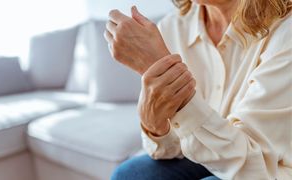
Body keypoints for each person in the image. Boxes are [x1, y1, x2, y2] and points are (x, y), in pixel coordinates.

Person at [104, 0, 292, 179]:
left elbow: (252, 167)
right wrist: (153, 124)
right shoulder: (174, 26)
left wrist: (167, 75)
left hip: (270, 169)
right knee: (130, 174)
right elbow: (169, 148)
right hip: (218, 153)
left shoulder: (285, 30)